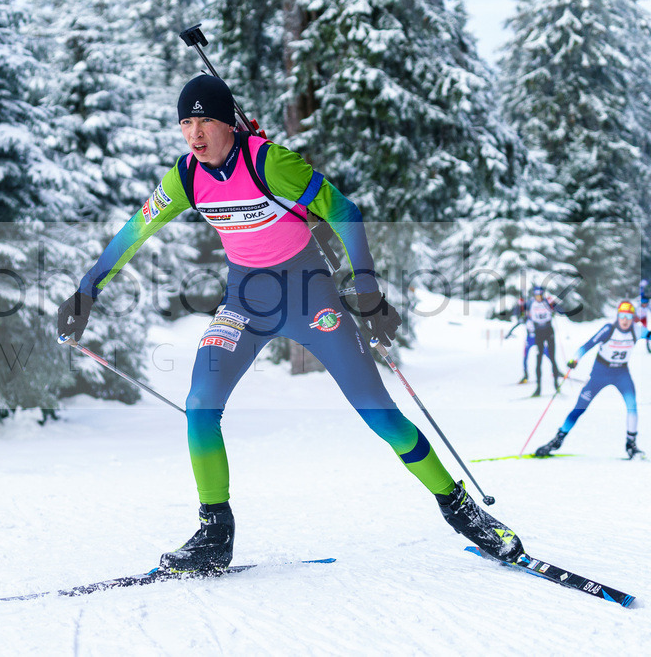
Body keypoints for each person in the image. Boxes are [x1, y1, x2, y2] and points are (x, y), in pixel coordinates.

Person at [56, 75, 523, 572]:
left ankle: (462, 511)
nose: (195, 134)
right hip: (244, 302)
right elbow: (135, 229)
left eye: (205, 121)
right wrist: (87, 290)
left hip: (309, 296)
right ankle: (215, 532)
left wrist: (366, 288)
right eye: (186, 123)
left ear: (228, 124)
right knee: (199, 405)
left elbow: (345, 211)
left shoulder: (269, 162)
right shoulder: (185, 177)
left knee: (380, 414)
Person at [535, 301, 648, 459]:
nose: (625, 320)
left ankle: (631, 445)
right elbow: (587, 345)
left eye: (629, 317)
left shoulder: (637, 330)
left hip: (622, 373)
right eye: (622, 316)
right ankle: (557, 440)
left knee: (632, 406)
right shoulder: (609, 329)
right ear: (617, 316)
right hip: (600, 373)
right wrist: (575, 359)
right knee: (580, 408)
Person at [525, 285, 563, 396]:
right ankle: (538, 388)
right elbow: (525, 316)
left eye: (540, 295)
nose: (538, 297)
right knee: (539, 359)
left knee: (552, 357)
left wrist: (554, 304)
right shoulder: (531, 303)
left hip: (548, 330)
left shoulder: (547, 302)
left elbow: (560, 310)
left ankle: (556, 384)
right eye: (536, 295)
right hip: (538, 332)